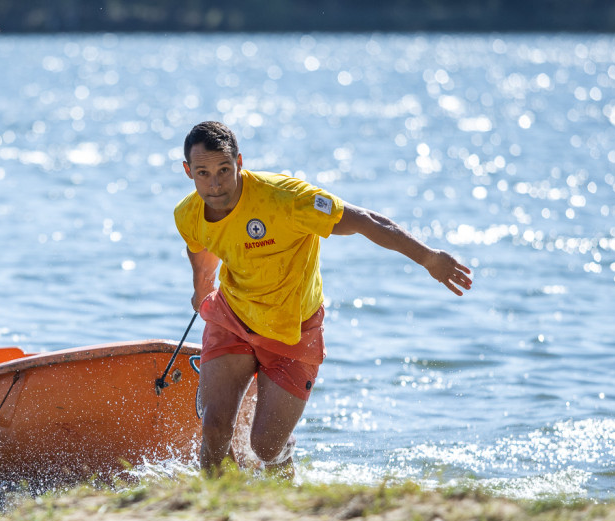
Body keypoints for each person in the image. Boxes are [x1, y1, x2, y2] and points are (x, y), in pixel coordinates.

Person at [174, 121, 472, 475]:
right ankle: (220, 514)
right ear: (188, 171)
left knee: (265, 449)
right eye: (203, 173)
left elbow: (365, 220)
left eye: (224, 170)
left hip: (293, 330)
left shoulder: (286, 199)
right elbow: (202, 246)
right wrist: (201, 288)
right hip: (233, 318)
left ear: (240, 162)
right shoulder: (187, 213)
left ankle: (282, 456)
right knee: (214, 433)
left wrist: (428, 258)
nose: (215, 183)